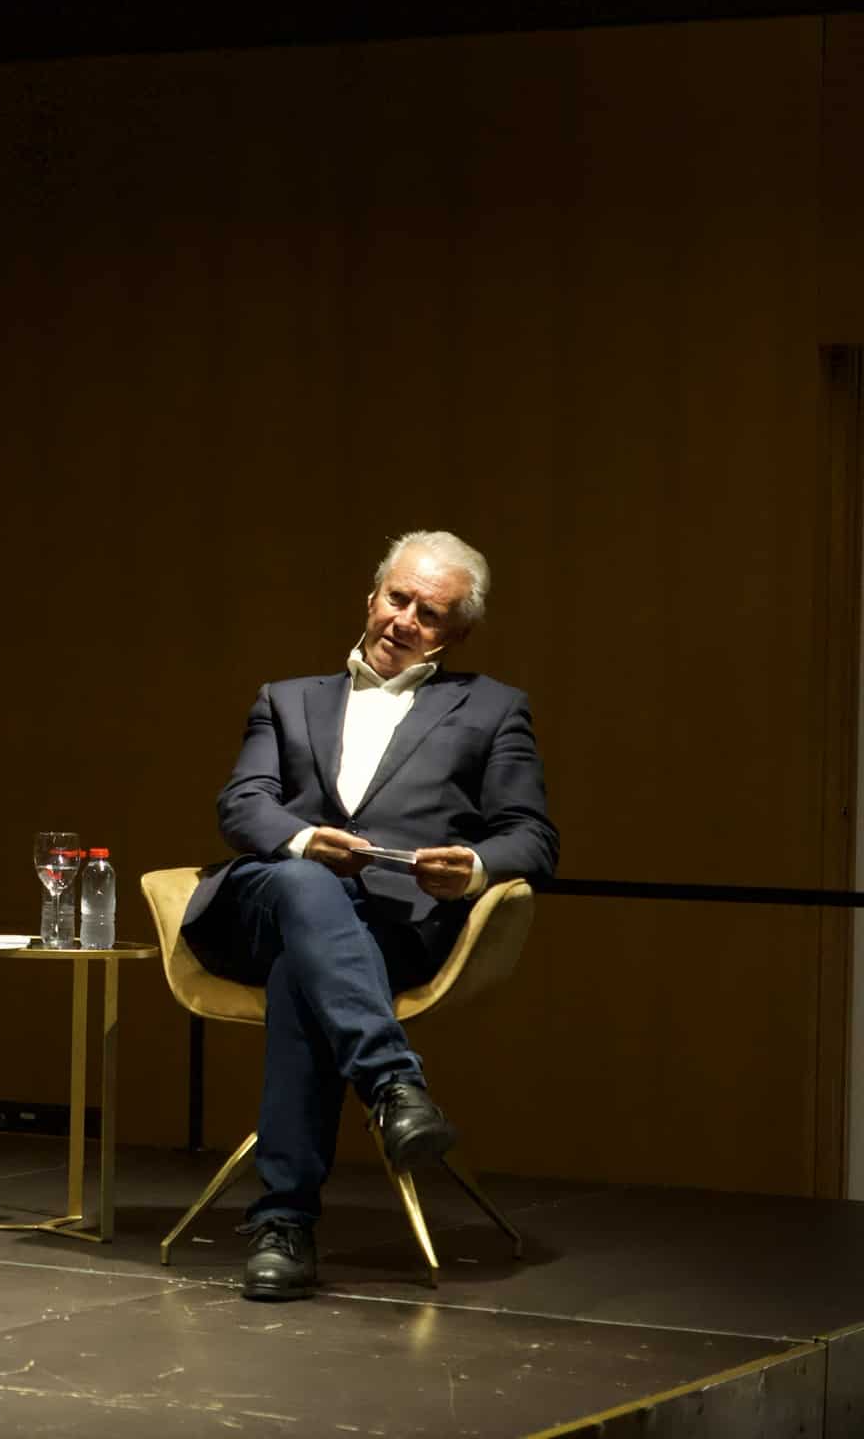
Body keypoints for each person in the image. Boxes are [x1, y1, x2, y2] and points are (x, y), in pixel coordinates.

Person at [181, 529, 556, 1301]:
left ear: (456, 632)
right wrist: (302, 839)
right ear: (371, 595)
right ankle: (394, 1088)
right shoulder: (287, 700)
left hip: (393, 931)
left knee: (303, 973)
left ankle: (284, 1222)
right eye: (398, 598)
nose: (405, 619)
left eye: (429, 612)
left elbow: (532, 837)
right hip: (266, 907)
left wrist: (476, 866)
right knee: (305, 884)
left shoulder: (491, 710)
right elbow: (241, 802)